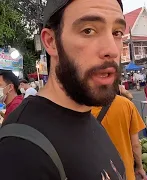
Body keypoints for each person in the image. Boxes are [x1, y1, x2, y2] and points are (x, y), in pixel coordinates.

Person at [0, 0, 126, 179]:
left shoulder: (89, 118)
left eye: (117, 32)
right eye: (88, 30)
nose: (112, 50)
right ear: (51, 42)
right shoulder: (20, 149)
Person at [92, 95, 146, 180]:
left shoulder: (82, 107)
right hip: (125, 171)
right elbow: (135, 144)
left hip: (99, 173)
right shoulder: (126, 104)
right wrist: (139, 166)